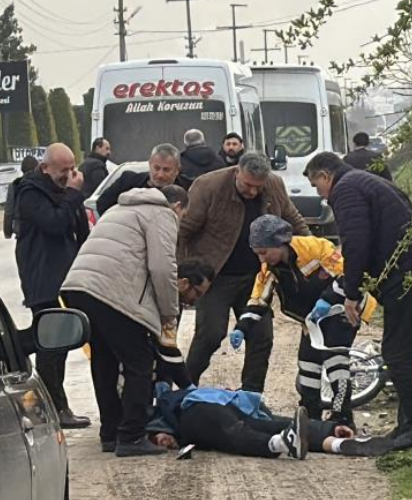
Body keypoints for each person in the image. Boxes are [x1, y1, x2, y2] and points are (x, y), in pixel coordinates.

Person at [304, 152, 412, 452]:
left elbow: (357, 243)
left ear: (325, 176)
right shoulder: (368, 182)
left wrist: (351, 293)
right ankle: (408, 426)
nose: (322, 196)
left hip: (410, 278)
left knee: (396, 353)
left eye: (318, 188)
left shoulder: (345, 189)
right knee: (404, 352)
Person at [61, 184, 213, 457]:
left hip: (77, 286)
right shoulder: (162, 214)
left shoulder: (119, 208)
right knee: (139, 363)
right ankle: (131, 436)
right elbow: (162, 266)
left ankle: (110, 433)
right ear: (177, 207)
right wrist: (169, 313)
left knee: (105, 360)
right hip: (110, 291)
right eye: (183, 216)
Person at [229, 215, 377, 427]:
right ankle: (310, 414)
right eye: (257, 254)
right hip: (312, 319)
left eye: (264, 252)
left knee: (335, 360)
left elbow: (349, 274)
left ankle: (342, 416)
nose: (262, 259)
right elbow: (258, 300)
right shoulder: (269, 269)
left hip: (344, 308)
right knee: (308, 362)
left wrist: (327, 299)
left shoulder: (316, 247)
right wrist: (242, 327)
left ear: (280, 243)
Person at [179, 153, 310, 392]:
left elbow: (293, 219)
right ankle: (185, 386)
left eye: (257, 187)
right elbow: (183, 230)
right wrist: (182, 270)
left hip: (257, 276)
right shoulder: (208, 186)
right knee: (210, 334)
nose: (252, 192)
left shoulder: (274, 185)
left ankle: (251, 395)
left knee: (261, 337)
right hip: (215, 276)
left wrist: (311, 253)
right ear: (236, 171)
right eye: (247, 185)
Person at [14, 143, 91, 429]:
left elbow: (78, 231)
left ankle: (13, 348)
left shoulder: (64, 193)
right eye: (63, 170)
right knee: (52, 345)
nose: (69, 175)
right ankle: (54, 408)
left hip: (65, 278)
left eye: (72, 169)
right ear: (46, 168)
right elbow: (55, 223)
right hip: (43, 279)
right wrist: (72, 194)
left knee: (57, 342)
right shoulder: (30, 192)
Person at [145, 383, 396, 458]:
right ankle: (335, 443)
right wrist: (328, 427)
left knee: (238, 432)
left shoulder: (171, 395)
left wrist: (157, 434)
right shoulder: (160, 396)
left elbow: (153, 414)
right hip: (217, 410)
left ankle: (283, 444)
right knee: (257, 427)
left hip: (199, 409)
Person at [96, 144, 192, 215]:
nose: (160, 175)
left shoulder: (189, 189)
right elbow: (102, 204)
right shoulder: (127, 182)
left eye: (166, 170)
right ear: (150, 164)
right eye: (156, 168)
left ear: (177, 170)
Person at [2, 155, 40, 239]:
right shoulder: (41, 183)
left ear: (22, 169)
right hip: (39, 231)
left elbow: (9, 211)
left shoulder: (15, 185)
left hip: (21, 231)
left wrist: (7, 232)